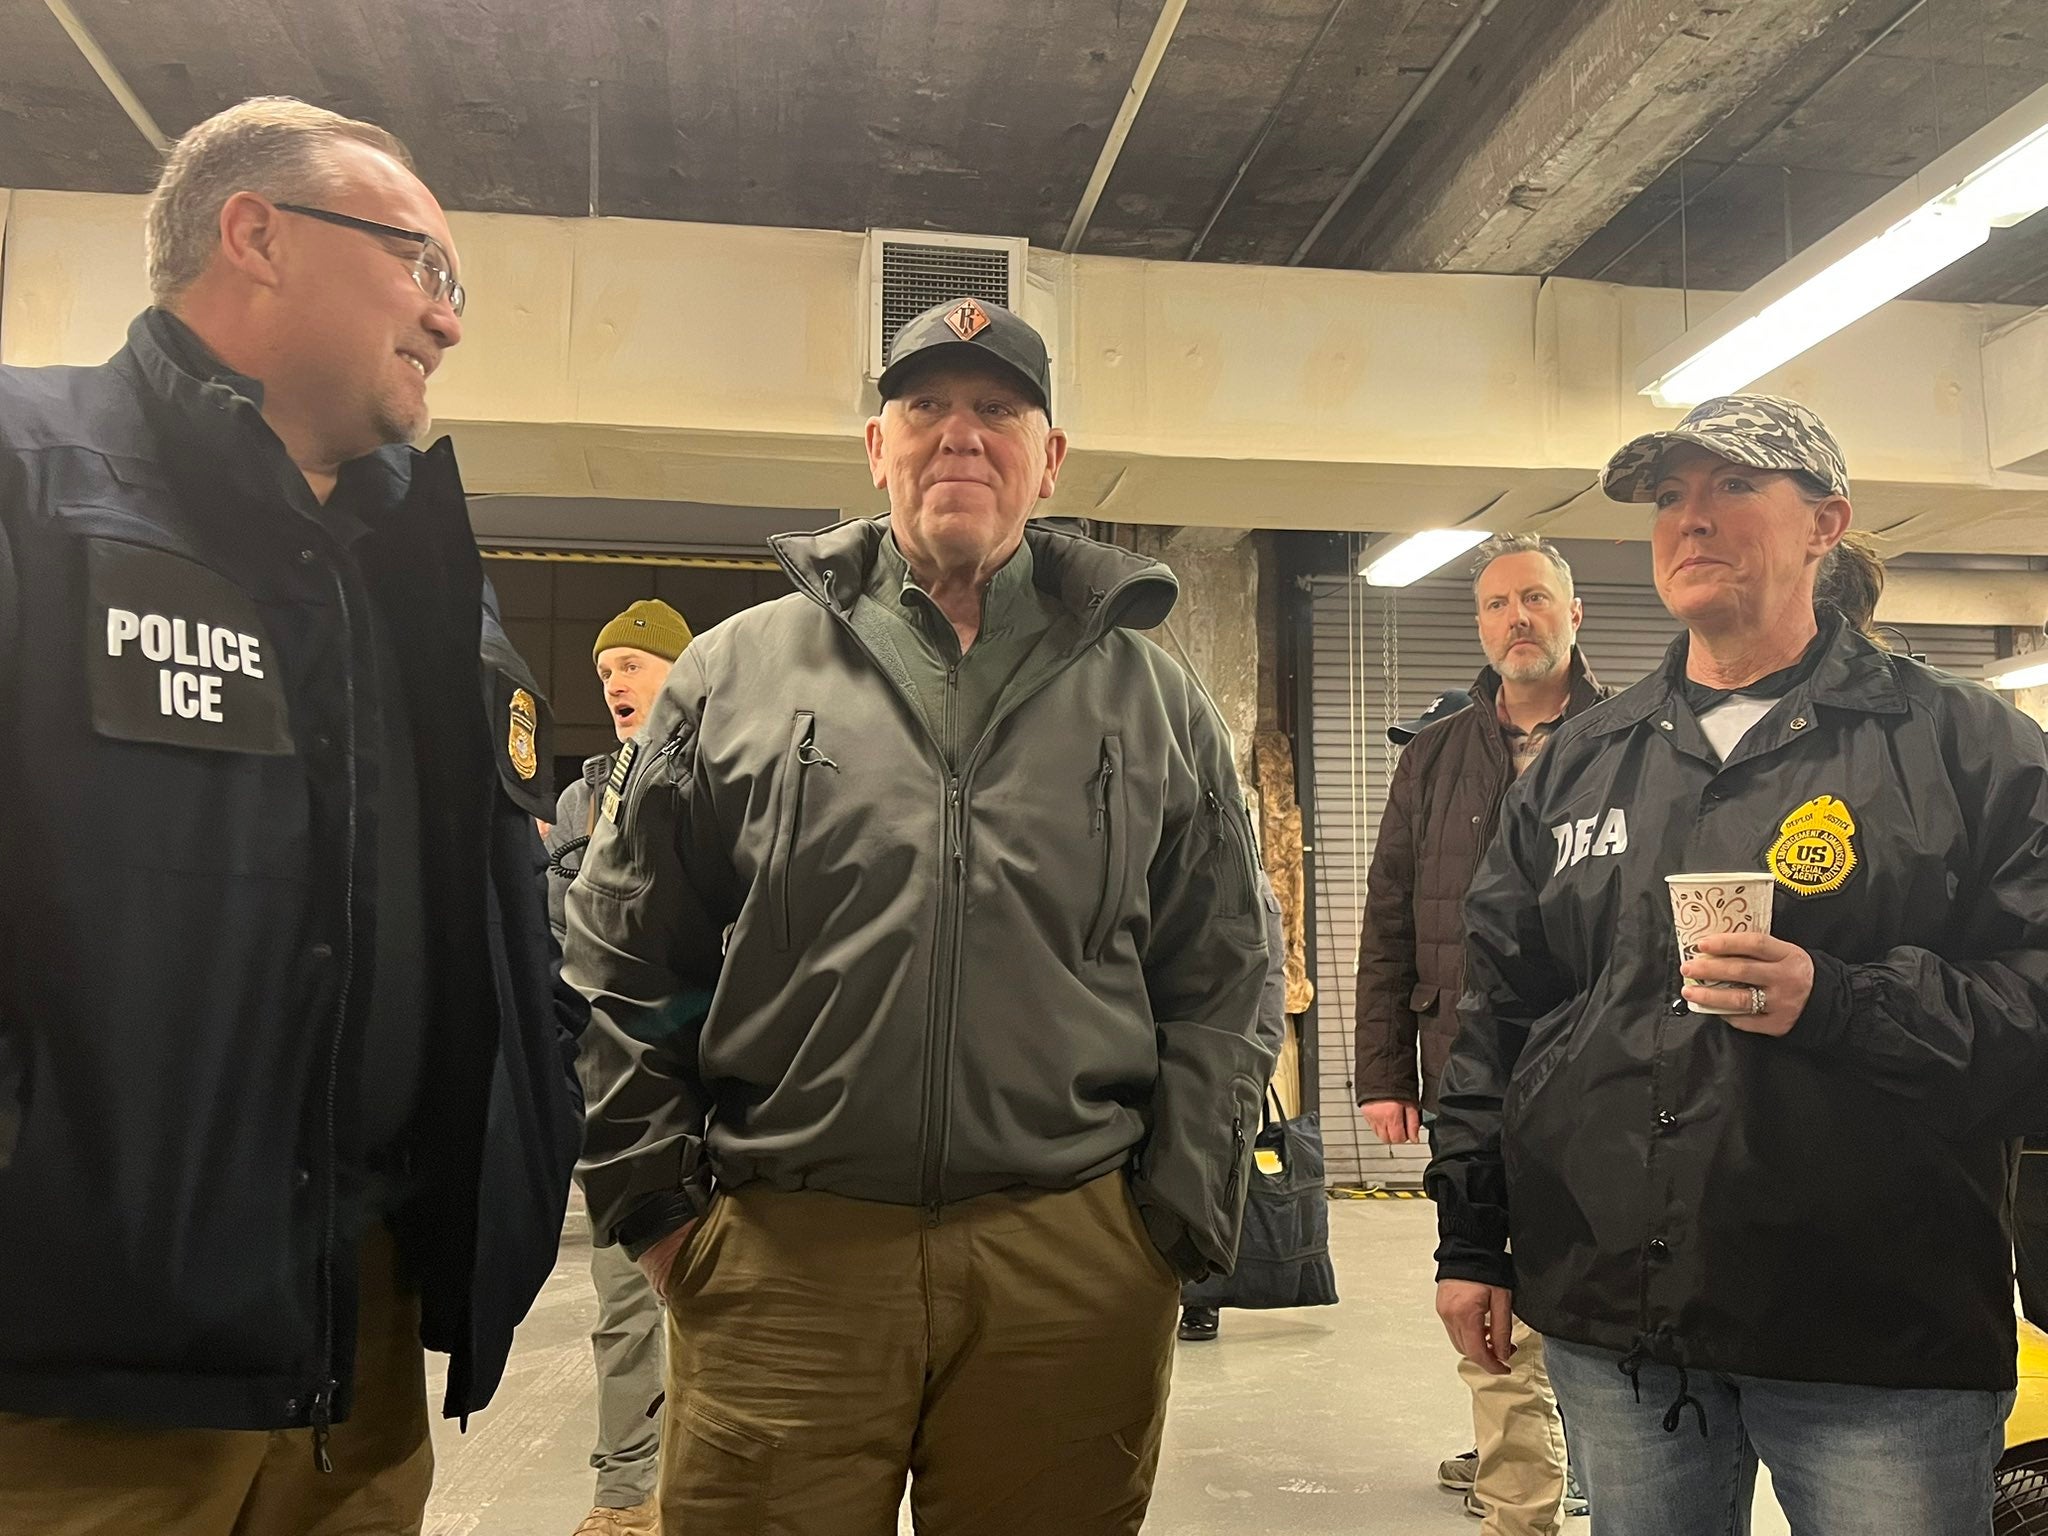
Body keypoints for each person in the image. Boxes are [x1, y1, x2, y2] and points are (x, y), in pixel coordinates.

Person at [565, 294, 1273, 1535]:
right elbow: (631, 960)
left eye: (997, 410)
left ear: (1048, 460)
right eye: (925, 406)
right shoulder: (737, 674)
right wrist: (660, 1215)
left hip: (1068, 1267)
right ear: (873, 446)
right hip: (785, 1258)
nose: (960, 435)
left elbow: (1221, 974)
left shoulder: (1152, 698)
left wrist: (1168, 1224)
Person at [0, 97, 586, 1534]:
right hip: (81, 1363)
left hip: (360, 1344)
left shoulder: (419, 572)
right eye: (422, 268)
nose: (448, 323)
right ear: (255, 235)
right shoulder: (36, 482)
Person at [1429, 394, 2048, 1536]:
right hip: (1622, 1322)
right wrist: (1470, 1236)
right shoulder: (1574, 766)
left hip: (1874, 1330)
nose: (1690, 520)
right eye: (1669, 497)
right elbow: (1498, 1018)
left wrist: (1843, 1001)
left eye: (1731, 488)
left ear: (1824, 523)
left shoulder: (1969, 747)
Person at [1354, 537, 1604, 1533]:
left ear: (1572, 614)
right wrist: (1380, 1068)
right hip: (1466, 1066)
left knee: (1601, 1277)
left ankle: (1594, 1455)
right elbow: (1387, 919)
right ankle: (1518, 1501)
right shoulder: (1434, 752)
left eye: (1534, 599)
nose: (1516, 619)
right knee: (1482, 1281)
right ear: (1479, 624)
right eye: (1496, 604)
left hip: (1601, 1070)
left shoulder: (1632, 739)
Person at [545, 598, 694, 1536]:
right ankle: (626, 1494)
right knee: (622, 1299)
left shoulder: (733, 768)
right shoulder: (581, 799)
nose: (615, 685)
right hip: (618, 1083)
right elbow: (566, 935)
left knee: (739, 1304)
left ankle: (714, 1488)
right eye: (605, 674)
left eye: (633, 667)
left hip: (723, 1082)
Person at [1176, 869, 1292, 1343]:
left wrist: (1260, 1055)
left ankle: (1201, 1301)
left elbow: (1270, 976)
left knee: (1216, 1180)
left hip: (1226, 1057)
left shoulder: (1251, 885)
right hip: (1165, 1047)